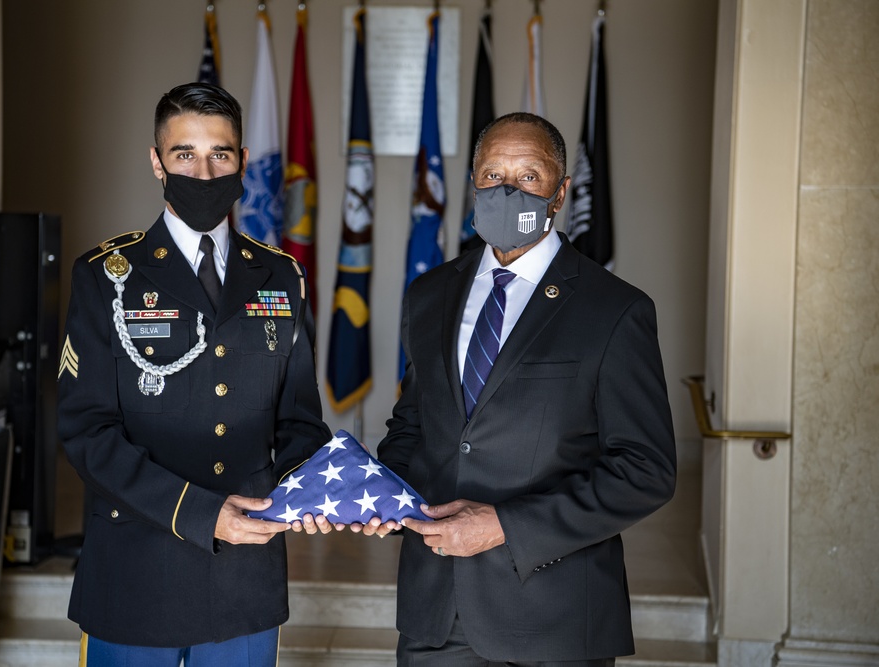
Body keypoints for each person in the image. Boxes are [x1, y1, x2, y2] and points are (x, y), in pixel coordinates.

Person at [372, 112, 677, 666]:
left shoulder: (615, 310)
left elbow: (645, 471)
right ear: (472, 184)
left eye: (529, 176)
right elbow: (415, 426)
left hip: (553, 619)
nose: (507, 190)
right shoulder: (430, 294)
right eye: (492, 175)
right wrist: (381, 497)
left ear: (560, 193)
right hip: (435, 616)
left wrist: (503, 526)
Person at [56, 82, 331, 666]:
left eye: (220, 155)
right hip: (135, 575)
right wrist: (205, 515)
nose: (204, 172)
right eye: (185, 154)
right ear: (156, 162)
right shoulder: (106, 276)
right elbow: (87, 433)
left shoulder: (281, 277)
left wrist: (311, 491)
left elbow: (301, 421)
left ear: (242, 163)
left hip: (244, 583)